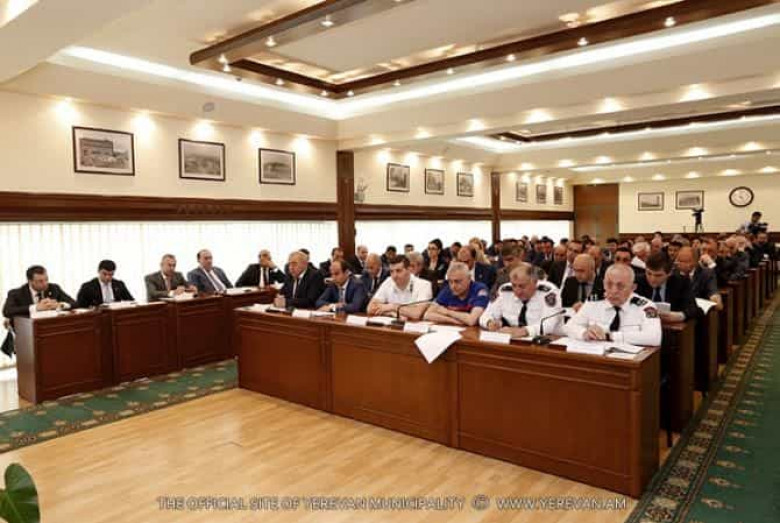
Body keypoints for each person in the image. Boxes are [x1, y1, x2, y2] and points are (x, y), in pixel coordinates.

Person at [563, 264, 662, 346]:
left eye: (620, 286)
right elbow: (569, 326)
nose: (614, 291)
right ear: (603, 284)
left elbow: (654, 337)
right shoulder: (593, 302)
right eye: (609, 284)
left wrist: (610, 336)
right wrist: (584, 333)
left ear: (633, 287)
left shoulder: (646, 306)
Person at [480, 263, 563, 338]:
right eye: (514, 285)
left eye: (522, 286)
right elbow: (485, 316)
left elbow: (549, 324)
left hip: (547, 339)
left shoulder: (548, 292)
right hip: (514, 339)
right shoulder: (505, 290)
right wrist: (490, 323)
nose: (517, 291)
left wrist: (524, 331)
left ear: (535, 282)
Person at [636, 252, 697, 323]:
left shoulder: (681, 283)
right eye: (649, 273)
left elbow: (694, 309)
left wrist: (680, 316)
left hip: (670, 326)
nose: (652, 279)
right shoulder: (637, 281)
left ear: (669, 273)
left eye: (658, 275)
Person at [366, 255, 432, 320]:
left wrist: (392, 307)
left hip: (415, 326)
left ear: (409, 270)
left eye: (398, 271)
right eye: (391, 271)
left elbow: (417, 314)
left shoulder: (424, 285)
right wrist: (391, 313)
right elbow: (370, 308)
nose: (394, 275)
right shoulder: (388, 281)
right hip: (392, 324)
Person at [423, 262, 489, 326]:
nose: (453, 286)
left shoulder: (480, 290)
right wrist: (454, 321)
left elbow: (472, 320)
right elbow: (428, 315)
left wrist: (447, 312)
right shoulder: (447, 290)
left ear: (469, 278)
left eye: (457, 281)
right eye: (450, 281)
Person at [3, 265, 76, 319]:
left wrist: (59, 305)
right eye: (40, 281)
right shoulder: (16, 293)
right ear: (30, 281)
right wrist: (36, 308)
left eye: (46, 279)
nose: (45, 283)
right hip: (26, 330)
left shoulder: (54, 288)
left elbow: (74, 303)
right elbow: (7, 311)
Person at [675, 246, 722, 311]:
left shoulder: (706, 274)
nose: (679, 264)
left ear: (695, 262)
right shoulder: (674, 273)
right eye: (679, 261)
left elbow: (713, 292)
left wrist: (715, 298)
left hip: (697, 312)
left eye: (684, 261)